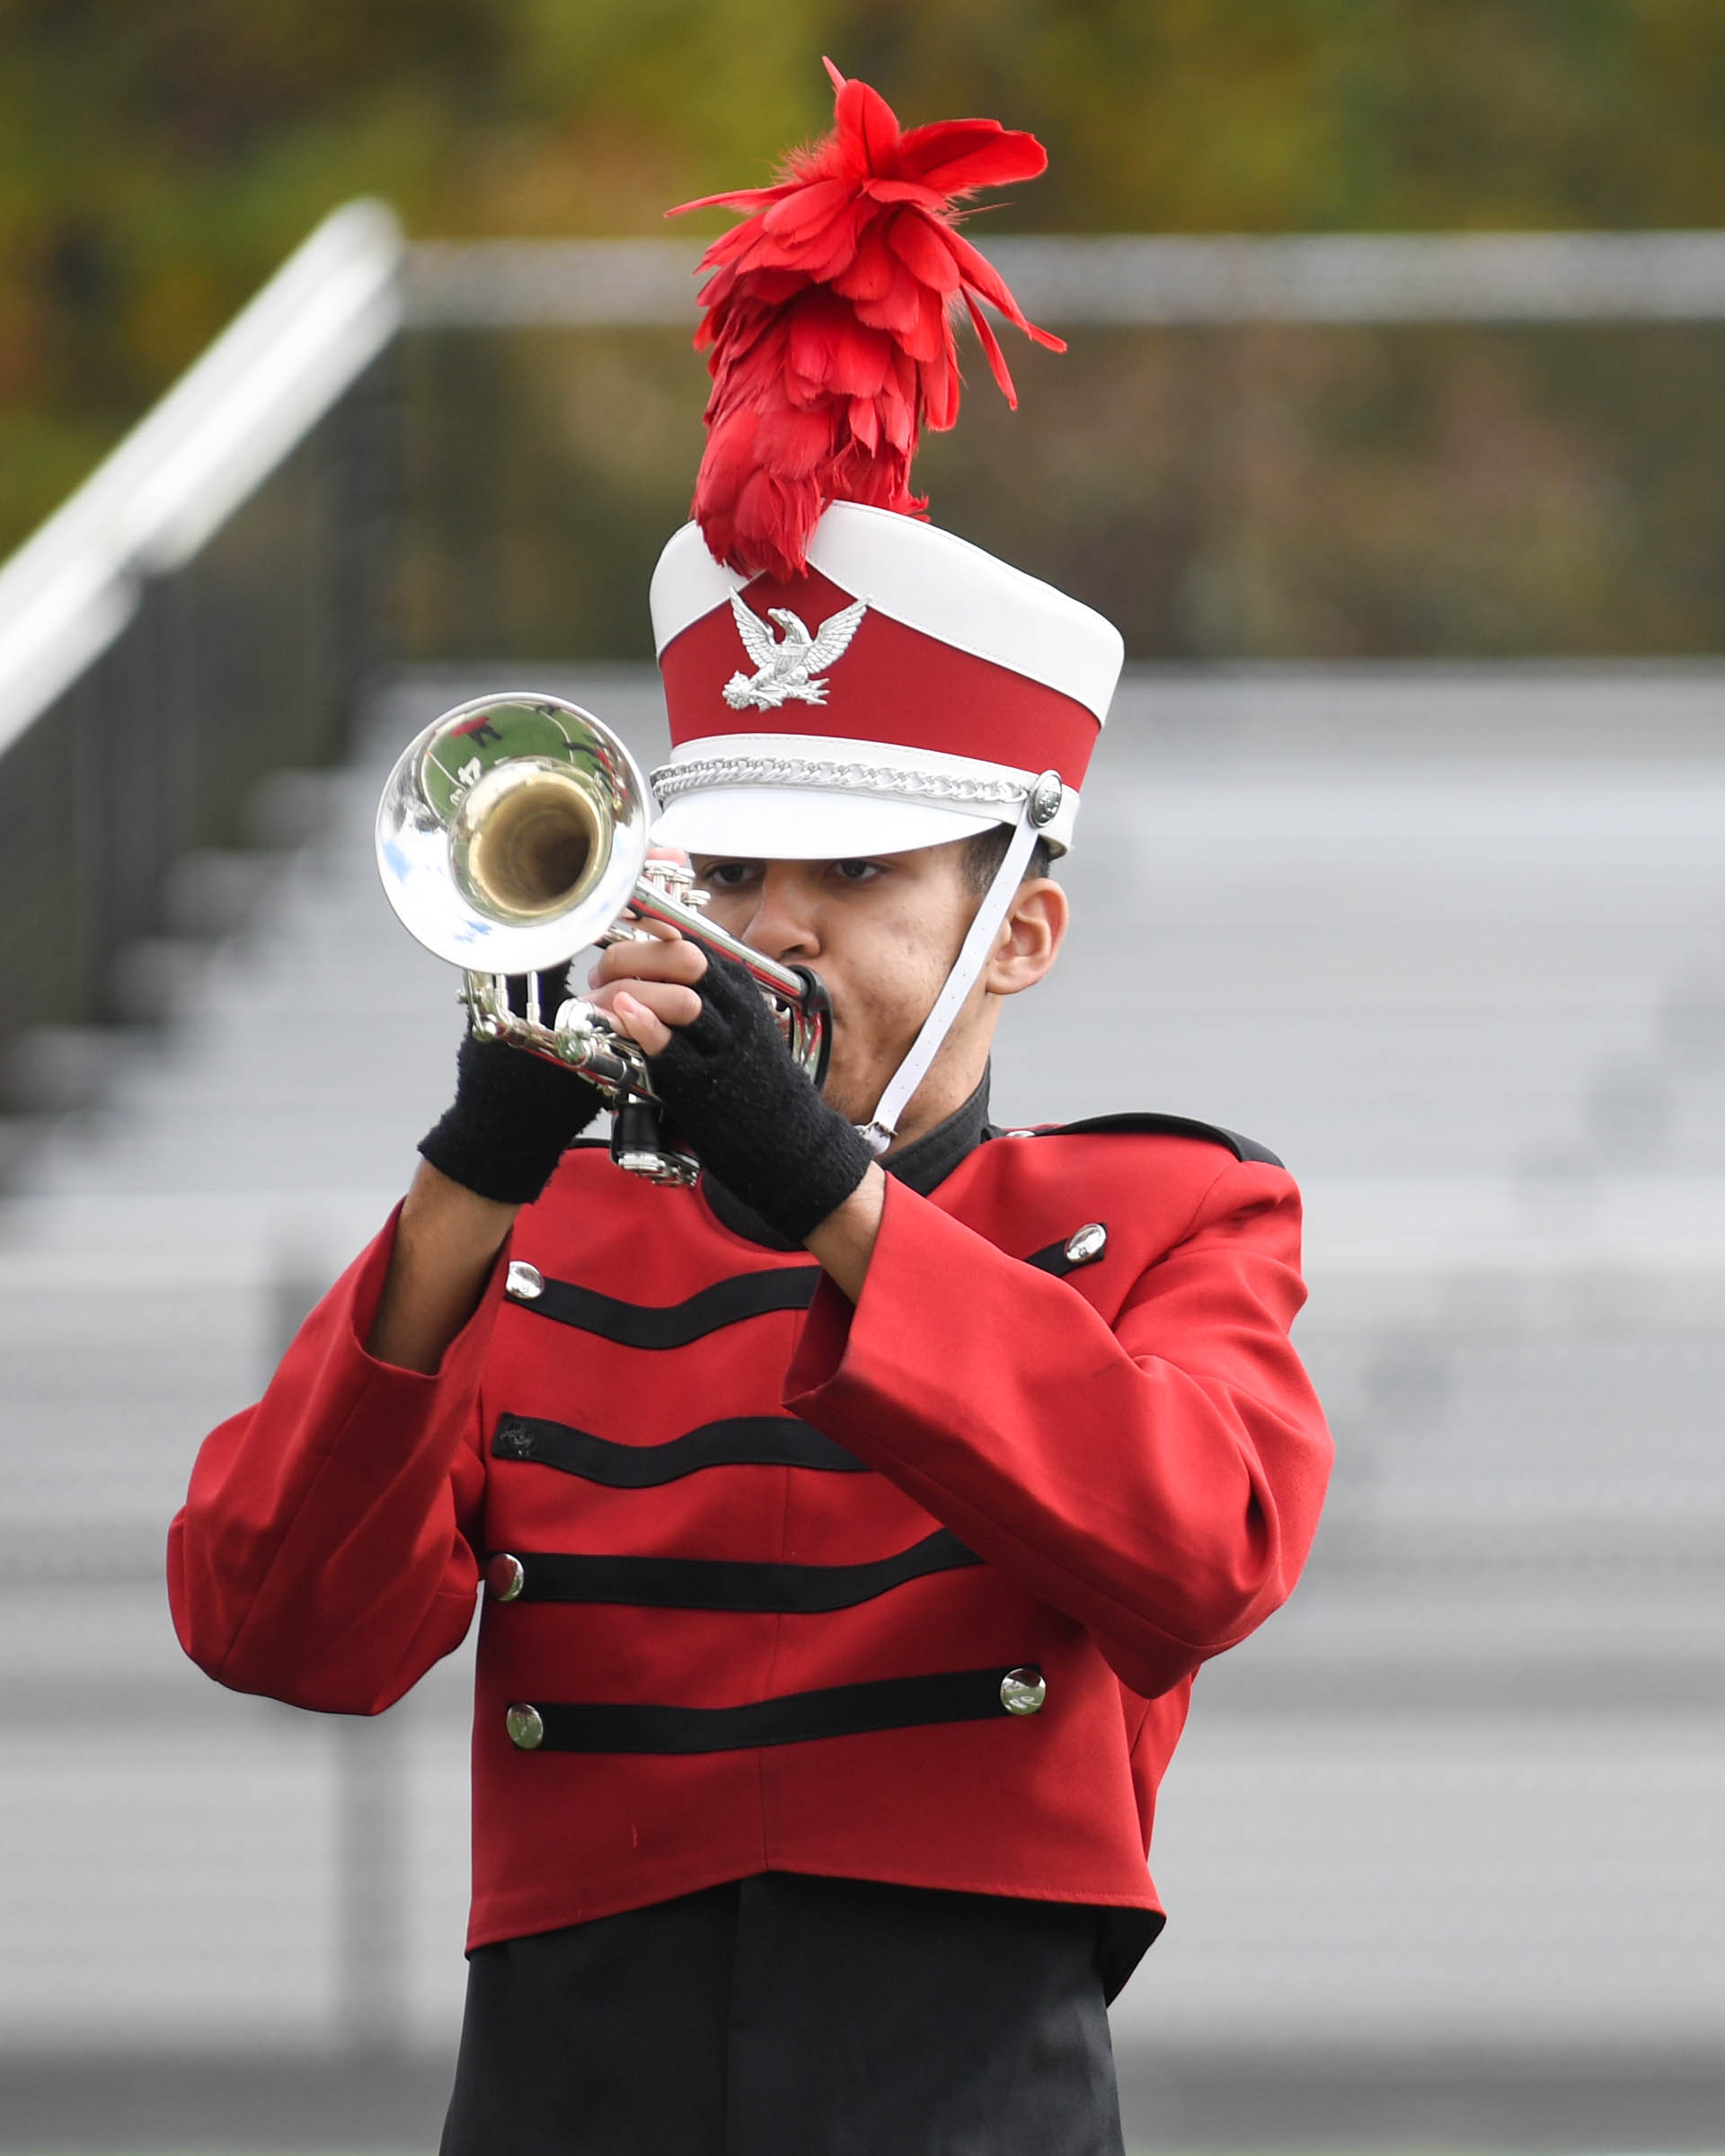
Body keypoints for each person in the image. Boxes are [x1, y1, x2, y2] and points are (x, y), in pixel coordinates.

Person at [169, 64, 1331, 2156]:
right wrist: (470, 1177)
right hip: (564, 2085)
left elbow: (1201, 1556)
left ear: (1022, 929)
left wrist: (826, 1197)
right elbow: (279, 1631)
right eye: (732, 868)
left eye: (855, 877)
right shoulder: (547, 1242)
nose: (769, 929)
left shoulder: (1168, 1219)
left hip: (962, 2090)